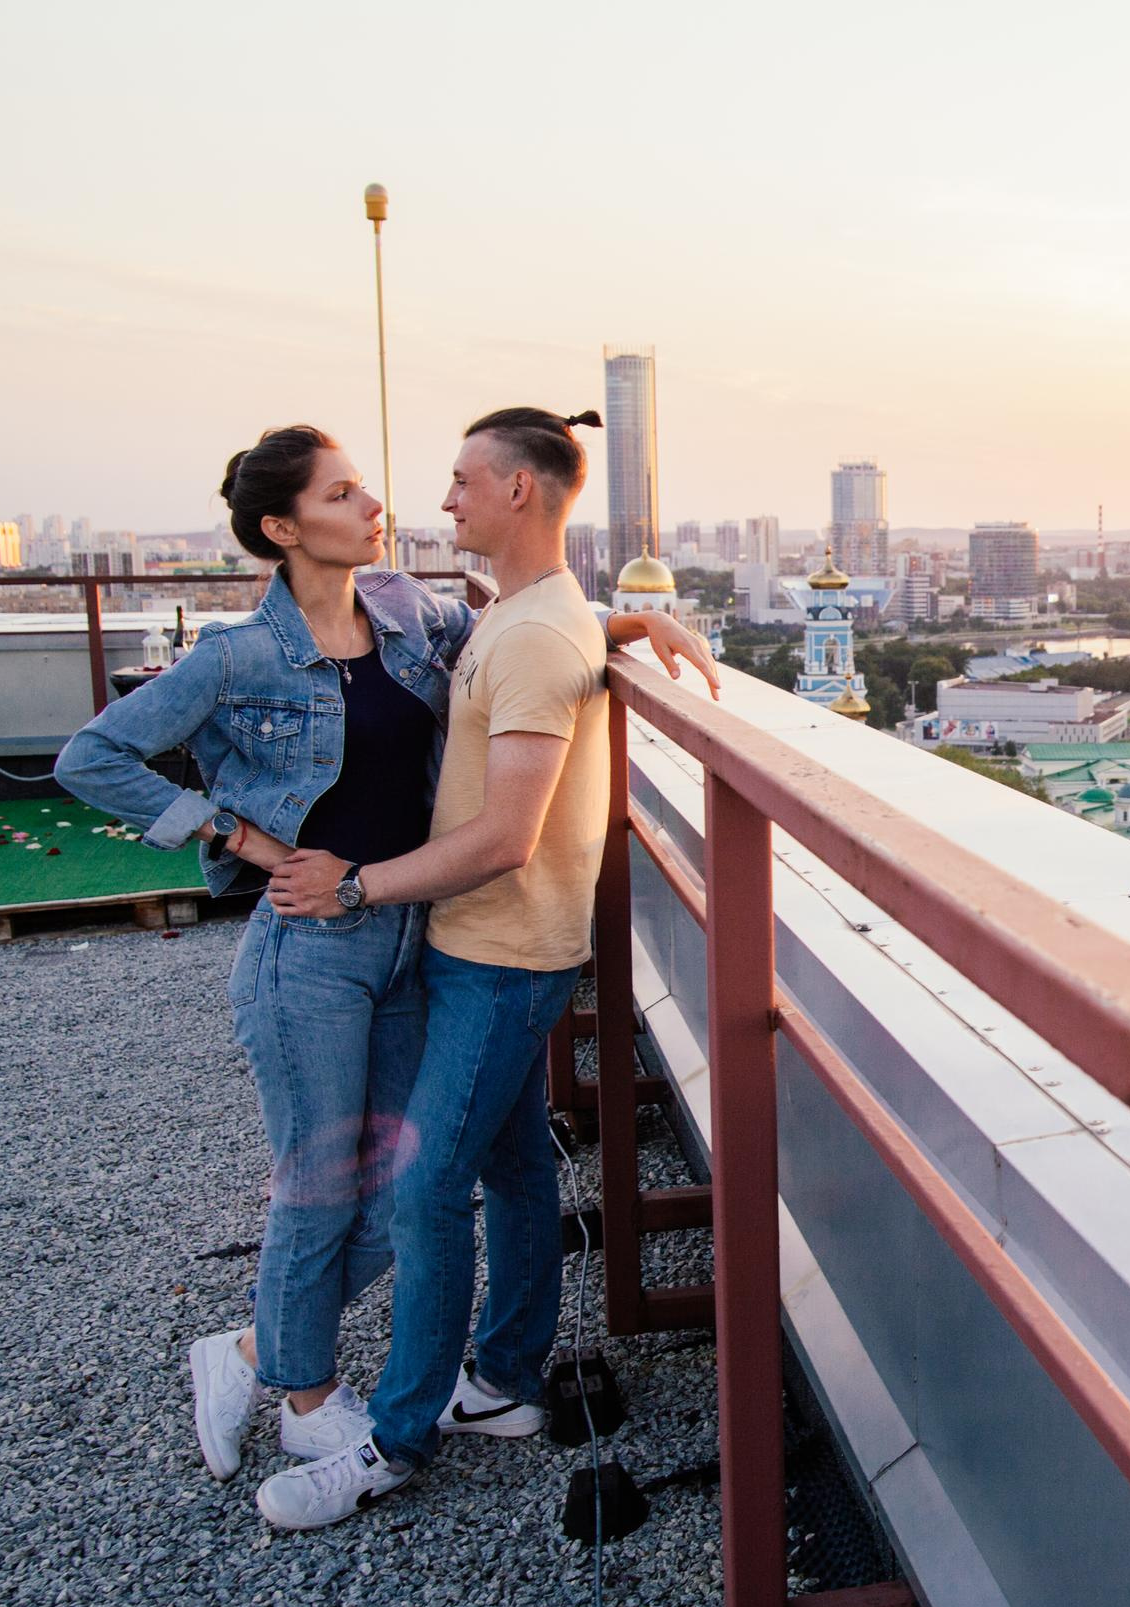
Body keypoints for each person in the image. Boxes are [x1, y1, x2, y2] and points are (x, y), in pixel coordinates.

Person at [54, 422, 714, 1488]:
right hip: (310, 947)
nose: (377, 507)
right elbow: (92, 756)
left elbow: (533, 627)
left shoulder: (408, 612)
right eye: (342, 495)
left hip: (407, 933)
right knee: (323, 1184)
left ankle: (250, 1351)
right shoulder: (237, 654)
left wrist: (632, 618)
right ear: (282, 529)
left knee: (397, 1187)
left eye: (365, 487)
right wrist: (237, 835)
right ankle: (308, 1398)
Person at [254, 407, 720, 1529]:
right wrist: (631, 619)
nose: (444, 499)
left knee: (424, 1190)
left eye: (464, 480)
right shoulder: (523, 616)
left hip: (503, 955)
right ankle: (504, 1379)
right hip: (487, 948)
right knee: (512, 1169)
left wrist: (354, 886)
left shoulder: (534, 638)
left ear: (519, 490)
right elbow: (556, 635)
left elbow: (508, 837)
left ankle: (396, 1438)